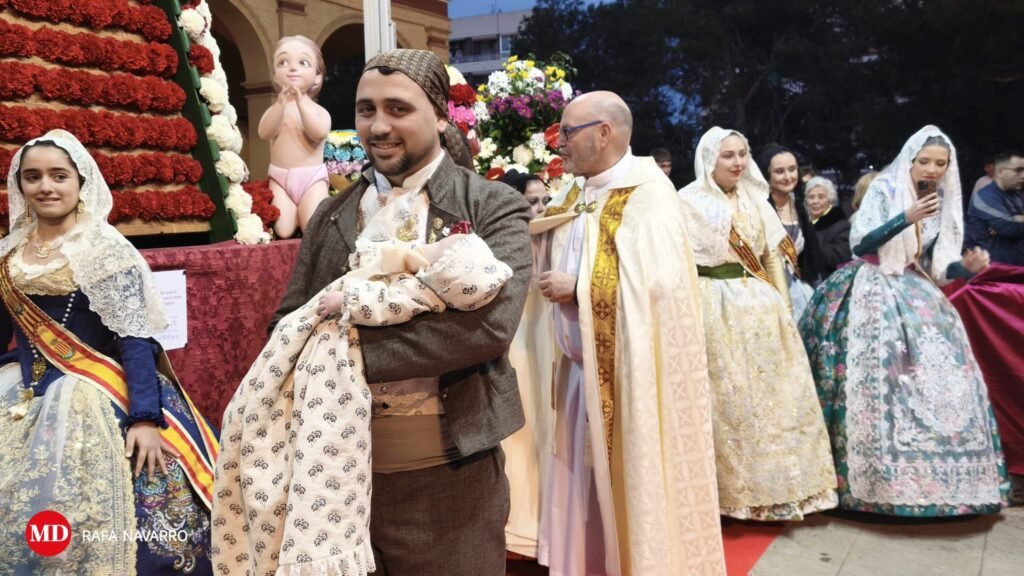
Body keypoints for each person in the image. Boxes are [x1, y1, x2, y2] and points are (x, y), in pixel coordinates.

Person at [265, 49, 531, 575]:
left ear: (440, 116)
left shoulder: (490, 205)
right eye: (366, 110)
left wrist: (340, 349)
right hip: (334, 485)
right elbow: (286, 325)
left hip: (451, 483)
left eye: (398, 109)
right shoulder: (331, 214)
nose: (379, 126)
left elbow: (487, 328)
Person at [214, 230, 513, 575]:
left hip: (441, 477)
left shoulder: (436, 280)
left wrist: (351, 335)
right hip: (333, 469)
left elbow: (490, 330)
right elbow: (285, 314)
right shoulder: (332, 213)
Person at [0, 130, 217, 575]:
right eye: (33, 177)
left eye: (59, 175)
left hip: (93, 395)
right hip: (23, 388)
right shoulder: (10, 251)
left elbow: (135, 340)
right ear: (19, 185)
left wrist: (145, 419)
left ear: (81, 182)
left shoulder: (104, 249)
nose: (46, 186)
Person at [532, 91, 725, 575]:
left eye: (567, 132)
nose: (559, 143)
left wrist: (579, 287)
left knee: (625, 480)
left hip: (629, 376)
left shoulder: (649, 193)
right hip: (575, 374)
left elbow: (659, 286)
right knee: (581, 482)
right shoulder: (573, 193)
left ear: (604, 133)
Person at [800, 125, 1009, 516]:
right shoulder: (885, 188)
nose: (932, 169)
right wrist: (904, 217)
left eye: (940, 164)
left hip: (913, 287)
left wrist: (965, 268)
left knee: (930, 376)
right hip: (869, 282)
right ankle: (861, 480)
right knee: (873, 374)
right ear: (910, 160)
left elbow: (935, 265)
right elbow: (861, 243)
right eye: (925, 161)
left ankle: (933, 481)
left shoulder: (941, 199)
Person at [678, 127, 837, 521]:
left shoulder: (755, 199)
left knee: (771, 399)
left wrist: (783, 307)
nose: (737, 162)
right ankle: (728, 494)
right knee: (727, 400)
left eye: (742, 154)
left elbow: (770, 258)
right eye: (728, 155)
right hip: (712, 307)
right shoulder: (687, 201)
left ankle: (777, 491)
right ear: (709, 160)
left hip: (760, 309)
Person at [259, 36, 332, 239]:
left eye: (303, 63)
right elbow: (265, 132)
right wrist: (280, 105)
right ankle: (294, 216)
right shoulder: (276, 109)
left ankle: (306, 212)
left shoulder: (318, 111)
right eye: (283, 62)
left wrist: (301, 102)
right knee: (284, 230)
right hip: (280, 177)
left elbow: (318, 132)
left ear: (317, 76)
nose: (292, 68)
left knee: (312, 227)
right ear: (275, 76)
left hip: (311, 178)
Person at [758, 145, 822, 319]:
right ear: (767, 174)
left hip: (797, 287)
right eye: (779, 171)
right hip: (766, 290)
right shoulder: (759, 207)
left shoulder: (799, 205)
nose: (788, 177)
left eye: (792, 169)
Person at [965, 150, 1024, 266]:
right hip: (995, 270)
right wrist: (1013, 220)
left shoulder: (1017, 194)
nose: (1023, 175)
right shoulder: (984, 197)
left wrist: (1017, 219)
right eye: (1018, 170)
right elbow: (1010, 227)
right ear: (1001, 172)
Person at [804, 176, 852, 278]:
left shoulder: (841, 225)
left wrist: (810, 241)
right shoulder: (804, 224)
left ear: (830, 200)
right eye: (811, 197)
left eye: (821, 197)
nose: (815, 201)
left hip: (830, 281)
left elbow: (840, 258)